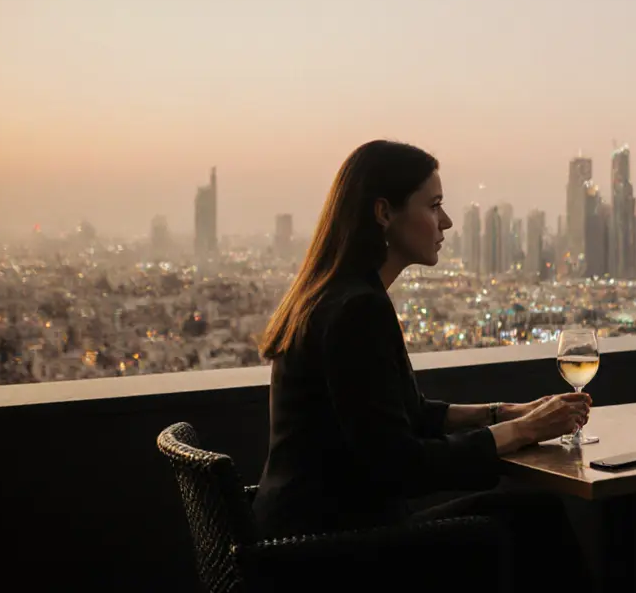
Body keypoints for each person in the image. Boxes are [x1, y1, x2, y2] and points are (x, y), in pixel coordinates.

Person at [252, 139, 590, 590]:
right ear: (383, 213)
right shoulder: (358, 310)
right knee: (533, 517)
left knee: (523, 513)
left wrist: (504, 413)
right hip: (331, 552)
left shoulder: (337, 296)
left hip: (302, 536)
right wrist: (523, 431)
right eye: (433, 206)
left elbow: (403, 414)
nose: (446, 221)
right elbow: (400, 464)